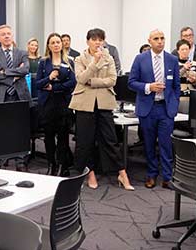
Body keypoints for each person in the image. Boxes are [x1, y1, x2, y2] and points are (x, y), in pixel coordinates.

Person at [69, 28, 134, 190]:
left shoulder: (109, 58)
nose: (97, 43)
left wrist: (93, 82)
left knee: (110, 139)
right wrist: (93, 63)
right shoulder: (80, 58)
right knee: (85, 140)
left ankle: (122, 173)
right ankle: (89, 172)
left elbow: (112, 80)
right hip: (84, 103)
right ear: (88, 41)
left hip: (104, 102)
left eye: (100, 40)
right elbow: (81, 78)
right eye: (94, 39)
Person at [128, 30, 180, 189]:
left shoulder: (172, 60)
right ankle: (151, 174)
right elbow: (131, 82)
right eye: (156, 39)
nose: (160, 41)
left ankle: (167, 176)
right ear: (149, 41)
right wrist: (148, 87)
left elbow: (176, 86)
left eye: (162, 38)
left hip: (165, 108)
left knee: (165, 144)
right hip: (148, 108)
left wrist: (174, 103)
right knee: (149, 144)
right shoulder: (140, 59)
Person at [35, 33, 76, 176]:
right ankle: (51, 164)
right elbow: (38, 83)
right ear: (49, 46)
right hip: (47, 104)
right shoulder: (43, 62)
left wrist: (55, 87)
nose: (56, 44)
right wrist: (49, 78)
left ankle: (62, 165)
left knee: (63, 137)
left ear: (62, 44)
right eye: (53, 42)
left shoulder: (70, 61)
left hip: (63, 104)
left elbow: (72, 83)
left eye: (58, 42)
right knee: (49, 137)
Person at [0, 25, 30, 103]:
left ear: (12, 36)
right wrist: (14, 78)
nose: (7, 36)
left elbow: (25, 69)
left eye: (8, 34)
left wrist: (5, 72)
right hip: (0, 97)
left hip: (21, 95)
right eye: (3, 34)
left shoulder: (22, 53)